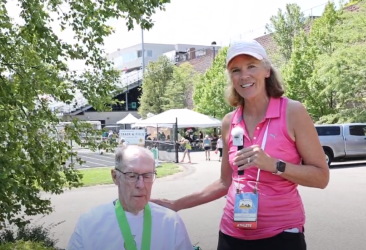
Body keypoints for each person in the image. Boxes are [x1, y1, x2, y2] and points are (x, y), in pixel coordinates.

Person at [151, 39, 329, 250]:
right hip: (232, 235)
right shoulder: (229, 121)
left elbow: (321, 177)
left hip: (281, 234)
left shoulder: (292, 112)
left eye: (251, 66)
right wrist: (176, 205)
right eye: (236, 70)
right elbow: (225, 183)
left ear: (266, 70)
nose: (244, 75)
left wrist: (274, 165)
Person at [67, 145, 193, 250]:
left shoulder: (171, 222)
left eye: (148, 175)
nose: (141, 185)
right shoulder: (89, 223)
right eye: (132, 176)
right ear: (115, 177)